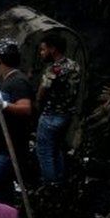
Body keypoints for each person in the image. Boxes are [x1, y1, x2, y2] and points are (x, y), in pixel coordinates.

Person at [0, 38, 35, 202]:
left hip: (5, 150)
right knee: (3, 191)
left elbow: (25, 108)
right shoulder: (10, 80)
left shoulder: (18, 82)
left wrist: (4, 104)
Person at [35, 33, 81, 184]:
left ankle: (50, 185)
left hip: (51, 115)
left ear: (52, 49)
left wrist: (37, 102)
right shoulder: (74, 66)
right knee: (58, 149)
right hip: (66, 115)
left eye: (43, 49)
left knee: (45, 152)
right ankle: (61, 182)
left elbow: (42, 92)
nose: (42, 53)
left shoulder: (53, 70)